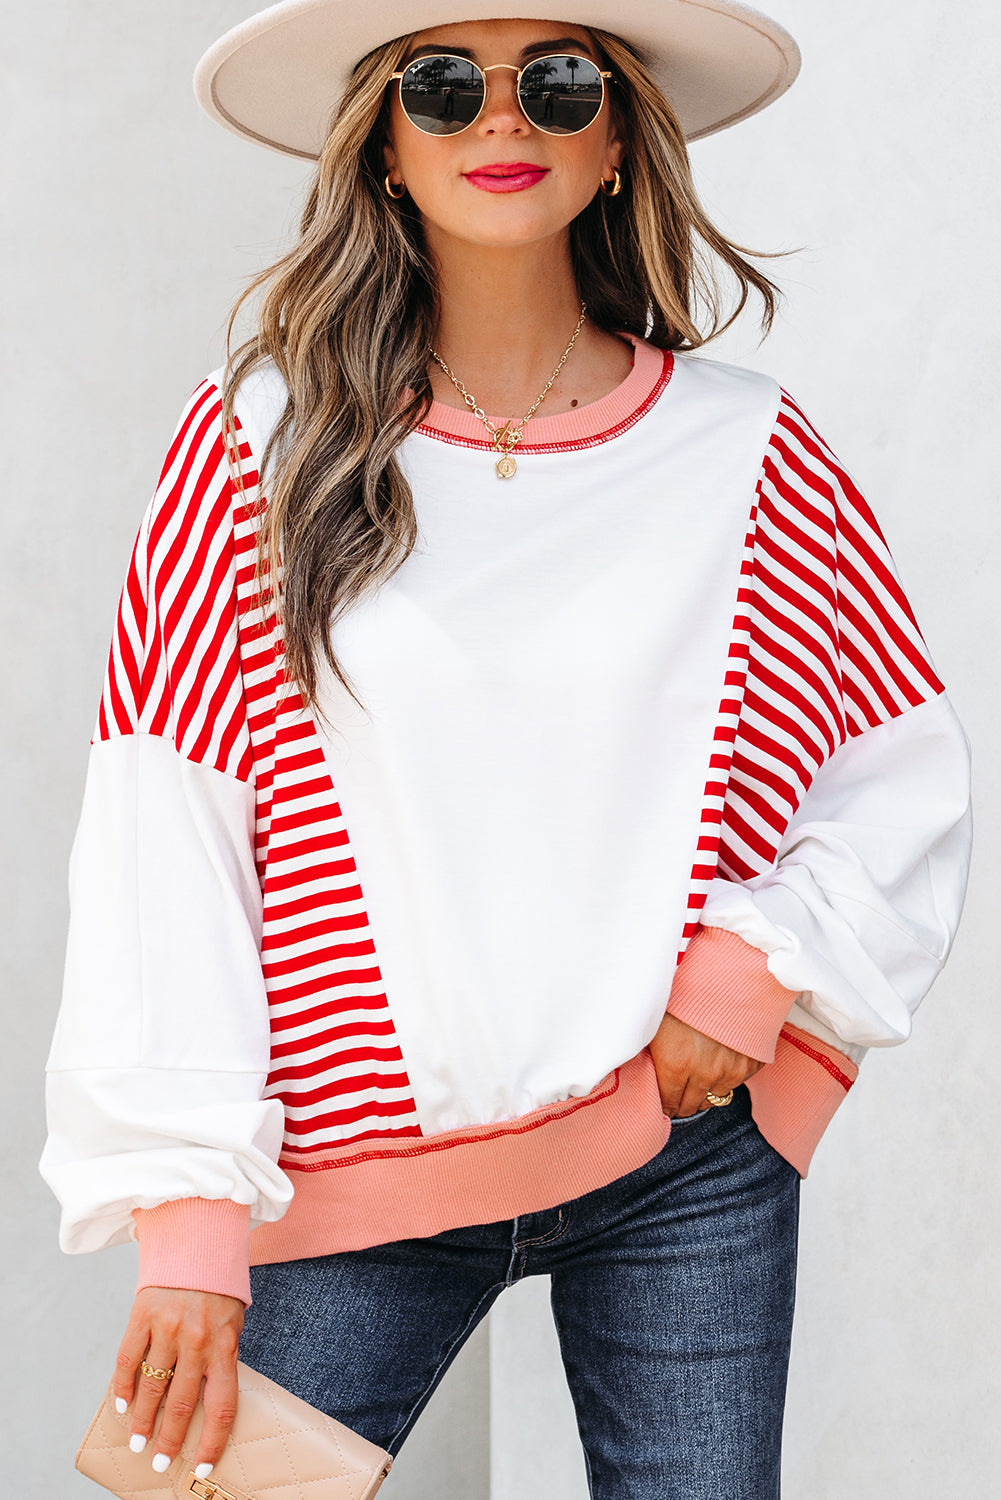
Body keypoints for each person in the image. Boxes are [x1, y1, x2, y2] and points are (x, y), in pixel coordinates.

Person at [40, 3, 973, 1496]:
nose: (501, 117)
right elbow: (170, 830)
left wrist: (751, 969)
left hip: (681, 1159)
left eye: (558, 82)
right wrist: (189, 1220)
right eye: (440, 84)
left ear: (615, 147)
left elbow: (893, 761)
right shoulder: (257, 443)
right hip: (352, 1169)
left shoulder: (744, 450)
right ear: (383, 147)